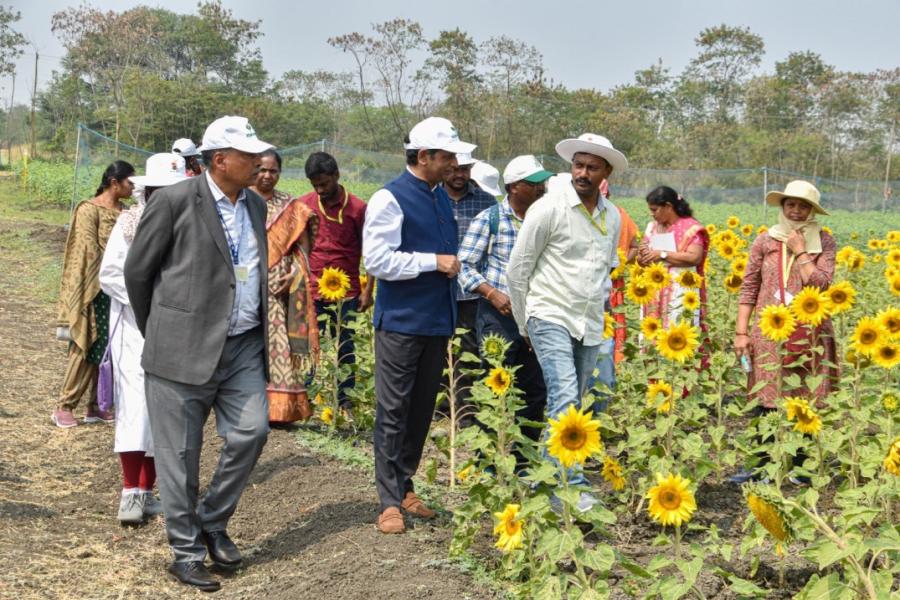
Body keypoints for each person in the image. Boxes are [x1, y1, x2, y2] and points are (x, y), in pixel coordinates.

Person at [124, 116, 273, 592]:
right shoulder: (173, 201)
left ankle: (212, 519)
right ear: (219, 160)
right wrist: (165, 330)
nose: (258, 162)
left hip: (243, 344)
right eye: (248, 156)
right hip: (180, 350)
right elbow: (138, 275)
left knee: (252, 431)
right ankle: (185, 553)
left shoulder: (253, 204)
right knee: (180, 457)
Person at [363, 116, 471, 534]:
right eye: (447, 156)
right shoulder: (389, 199)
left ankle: (405, 484)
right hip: (402, 323)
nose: (453, 164)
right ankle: (388, 500)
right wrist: (433, 262)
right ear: (423, 156)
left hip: (435, 321)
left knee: (422, 409)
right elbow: (378, 261)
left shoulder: (440, 196)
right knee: (393, 409)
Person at [507, 133, 625, 509]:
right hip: (549, 312)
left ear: (606, 173)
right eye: (578, 165)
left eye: (592, 167)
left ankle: (548, 478)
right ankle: (566, 488)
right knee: (565, 395)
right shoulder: (549, 209)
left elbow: (605, 270)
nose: (582, 173)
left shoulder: (613, 216)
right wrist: (526, 323)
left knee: (578, 402)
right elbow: (518, 269)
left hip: (588, 320)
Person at [99, 153, 187, 524]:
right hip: (136, 325)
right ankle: (130, 493)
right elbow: (111, 274)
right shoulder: (130, 222)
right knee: (137, 406)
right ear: (147, 190)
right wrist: (150, 300)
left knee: (164, 409)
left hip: (177, 328)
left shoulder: (192, 224)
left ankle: (148, 491)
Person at [732, 181, 838, 483]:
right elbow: (749, 286)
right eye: (790, 204)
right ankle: (762, 467)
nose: (795, 210)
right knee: (766, 396)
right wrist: (741, 333)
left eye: (803, 206)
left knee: (806, 397)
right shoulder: (765, 240)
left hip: (811, 333)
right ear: (783, 206)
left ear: (811, 211)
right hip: (769, 331)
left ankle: (801, 468)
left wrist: (801, 251)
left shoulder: (825, 242)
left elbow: (820, 284)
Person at [458, 155, 552, 460]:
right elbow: (465, 266)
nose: (542, 189)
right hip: (499, 316)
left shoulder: (546, 218)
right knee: (493, 386)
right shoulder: (490, 219)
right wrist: (492, 293)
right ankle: (489, 459)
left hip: (537, 316)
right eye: (534, 184)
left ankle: (525, 460)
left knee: (535, 390)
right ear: (513, 187)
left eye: (543, 183)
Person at [53, 161, 133, 428]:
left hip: (119, 289)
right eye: (129, 182)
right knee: (87, 344)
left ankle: (97, 405)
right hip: (94, 288)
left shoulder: (127, 212)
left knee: (109, 348)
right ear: (114, 183)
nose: (133, 187)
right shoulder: (90, 210)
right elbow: (86, 249)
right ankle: (65, 405)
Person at [298, 152, 374, 411]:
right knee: (307, 346)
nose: (320, 190)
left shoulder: (358, 209)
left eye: (324, 184)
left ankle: (345, 401)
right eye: (315, 185)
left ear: (336, 176)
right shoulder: (304, 205)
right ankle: (303, 397)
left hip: (348, 293)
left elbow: (371, 250)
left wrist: (368, 290)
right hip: (312, 289)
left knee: (346, 345)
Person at [251, 149, 320, 424]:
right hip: (245, 288)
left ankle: (280, 410)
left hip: (278, 291)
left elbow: (303, 253)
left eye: (273, 171)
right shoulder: (240, 201)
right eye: (262, 170)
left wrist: (292, 276)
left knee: (279, 347)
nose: (267, 176)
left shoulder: (291, 208)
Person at [441, 151, 497, 420]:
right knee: (437, 349)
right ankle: (441, 406)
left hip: (470, 291)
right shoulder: (431, 197)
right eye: (453, 169)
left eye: (464, 169)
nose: (459, 175)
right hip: (436, 288)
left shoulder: (486, 203)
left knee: (468, 350)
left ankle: (466, 410)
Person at [637, 186, 709, 330]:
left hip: (681, 291)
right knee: (654, 337)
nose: (651, 214)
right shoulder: (652, 227)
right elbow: (641, 256)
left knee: (679, 332)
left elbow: (695, 257)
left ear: (668, 206)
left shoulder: (691, 228)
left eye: (654, 209)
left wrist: (662, 254)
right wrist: (643, 257)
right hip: (654, 291)